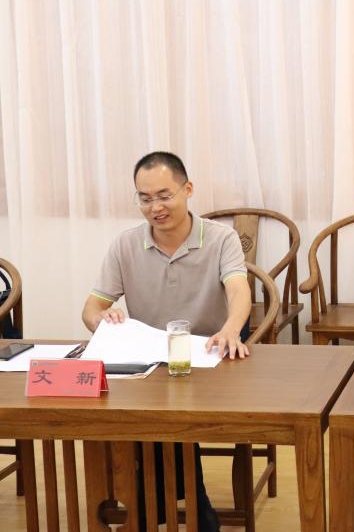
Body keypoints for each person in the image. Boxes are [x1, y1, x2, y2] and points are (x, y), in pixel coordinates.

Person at [81, 151, 252, 532]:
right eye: (144, 198)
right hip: (150, 363)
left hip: (207, 359)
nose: (155, 207)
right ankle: (190, 509)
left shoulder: (220, 238)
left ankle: (154, 511)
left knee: (169, 415)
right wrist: (103, 319)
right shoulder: (126, 245)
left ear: (187, 190)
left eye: (164, 195)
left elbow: (239, 289)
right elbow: (91, 309)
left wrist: (231, 328)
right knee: (139, 410)